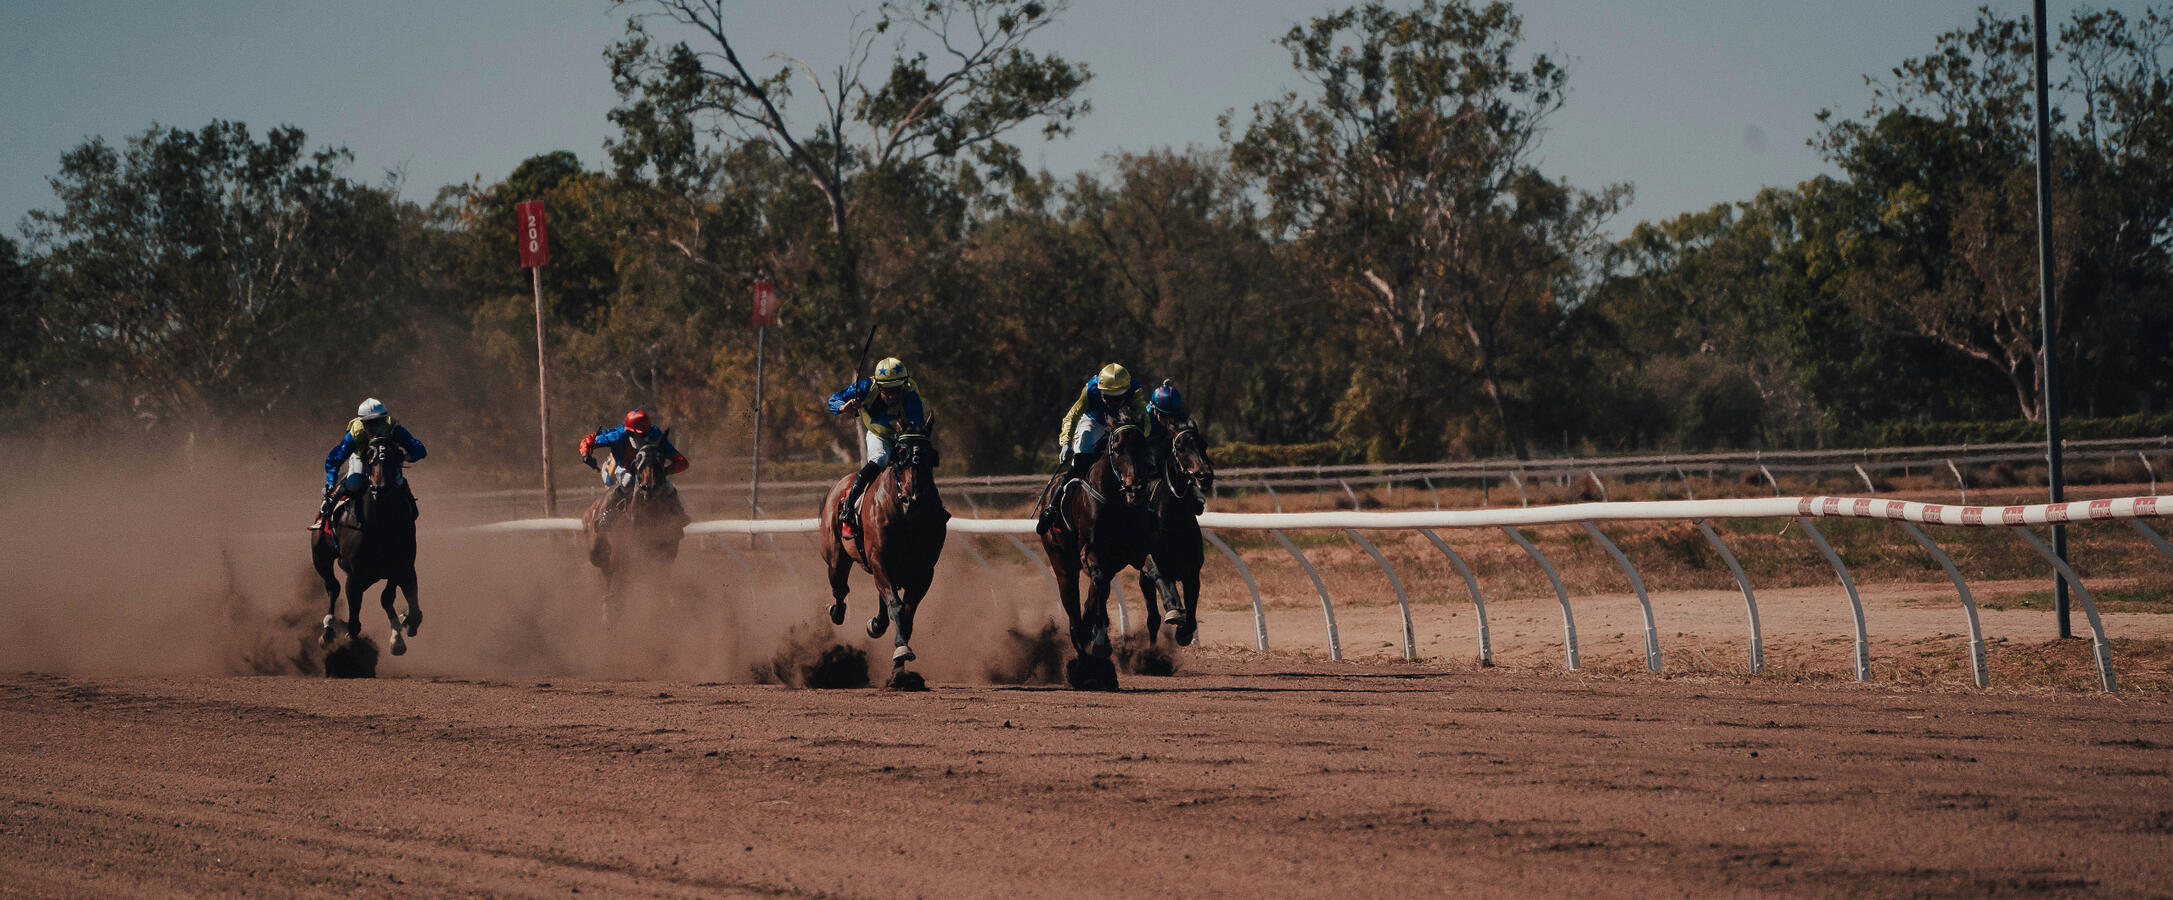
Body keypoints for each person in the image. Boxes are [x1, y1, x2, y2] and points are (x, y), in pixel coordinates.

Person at [1037, 362, 1150, 533]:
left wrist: (1134, 432)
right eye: (1107, 397)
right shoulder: (1091, 388)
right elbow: (1072, 415)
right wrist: (1066, 442)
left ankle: (1148, 506)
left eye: (1117, 397)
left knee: (1137, 458)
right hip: (1094, 422)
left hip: (1122, 423)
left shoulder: (1134, 390)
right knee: (1082, 456)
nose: (1111, 402)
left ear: (1126, 391)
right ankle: (1053, 507)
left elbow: (1145, 421)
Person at [826, 357, 927, 540]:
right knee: (880, 459)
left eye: (897, 391)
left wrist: (907, 442)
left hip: (904, 436)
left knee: (917, 460)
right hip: (878, 435)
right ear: (879, 387)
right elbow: (833, 399)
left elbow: (916, 422)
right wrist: (844, 407)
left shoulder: (911, 390)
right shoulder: (865, 387)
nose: (892, 396)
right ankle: (849, 506)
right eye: (887, 391)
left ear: (904, 385)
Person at [311, 398, 427, 531]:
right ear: (362, 423)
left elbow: (419, 450)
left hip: (387, 461)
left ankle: (410, 507)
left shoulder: (394, 428)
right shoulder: (356, 433)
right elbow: (335, 458)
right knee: (353, 484)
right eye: (370, 424)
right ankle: (326, 509)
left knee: (398, 481)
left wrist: (404, 457)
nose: (375, 428)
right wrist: (330, 482)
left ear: (385, 420)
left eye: (379, 423)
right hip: (361, 458)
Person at [578, 409, 689, 529]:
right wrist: (586, 454)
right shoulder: (617, 435)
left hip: (650, 471)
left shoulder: (655, 433)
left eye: (648, 433)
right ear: (629, 433)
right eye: (642, 435)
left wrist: (666, 471)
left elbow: (680, 461)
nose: (646, 438)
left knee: (667, 486)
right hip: (625, 468)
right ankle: (606, 514)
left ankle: (679, 513)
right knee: (627, 482)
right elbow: (588, 440)